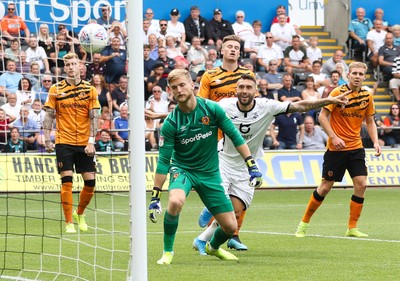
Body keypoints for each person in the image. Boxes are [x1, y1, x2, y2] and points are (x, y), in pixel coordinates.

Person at [191, 74, 349, 254]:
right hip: (223, 160)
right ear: (236, 90)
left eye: (248, 87)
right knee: (222, 205)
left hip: (248, 165)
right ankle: (212, 208)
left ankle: (201, 239)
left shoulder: (266, 106)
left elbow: (301, 105)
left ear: (255, 91)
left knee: (234, 213)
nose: (244, 91)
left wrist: (327, 100)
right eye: (241, 87)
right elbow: (196, 111)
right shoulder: (224, 105)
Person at [148, 69, 262, 264]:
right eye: (174, 88)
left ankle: (213, 247)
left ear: (192, 85)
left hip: (210, 173)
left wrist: (251, 164)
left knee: (229, 226)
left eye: (182, 84)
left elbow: (235, 136)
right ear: (171, 92)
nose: (179, 89)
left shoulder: (212, 109)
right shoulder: (171, 123)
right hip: (183, 170)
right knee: (175, 202)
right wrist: (155, 196)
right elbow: (164, 161)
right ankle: (168, 252)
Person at [295, 62, 382, 238]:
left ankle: (352, 228)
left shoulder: (367, 96)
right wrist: (334, 137)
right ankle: (303, 224)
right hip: (336, 149)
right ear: (348, 75)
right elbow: (322, 116)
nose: (357, 76)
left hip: (356, 147)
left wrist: (375, 141)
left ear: (364, 76)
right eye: (354, 73)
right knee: (326, 187)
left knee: (361, 184)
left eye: (361, 74)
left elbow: (370, 121)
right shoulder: (337, 93)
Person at [43, 53, 100, 233]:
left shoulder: (90, 89)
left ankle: (79, 213)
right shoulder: (56, 89)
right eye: (67, 64)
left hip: (84, 142)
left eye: (74, 64)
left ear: (80, 67)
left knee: (90, 183)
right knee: (66, 181)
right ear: (64, 67)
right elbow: (49, 115)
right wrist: (46, 137)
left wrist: (91, 141)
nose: (70, 67)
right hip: (64, 141)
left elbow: (94, 117)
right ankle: (69, 222)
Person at [198, 35, 253, 101]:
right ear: (222, 51)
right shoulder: (208, 75)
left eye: (236, 48)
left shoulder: (248, 74)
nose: (233, 50)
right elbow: (201, 103)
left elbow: (254, 100)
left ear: (238, 54)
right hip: (217, 111)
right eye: (229, 47)